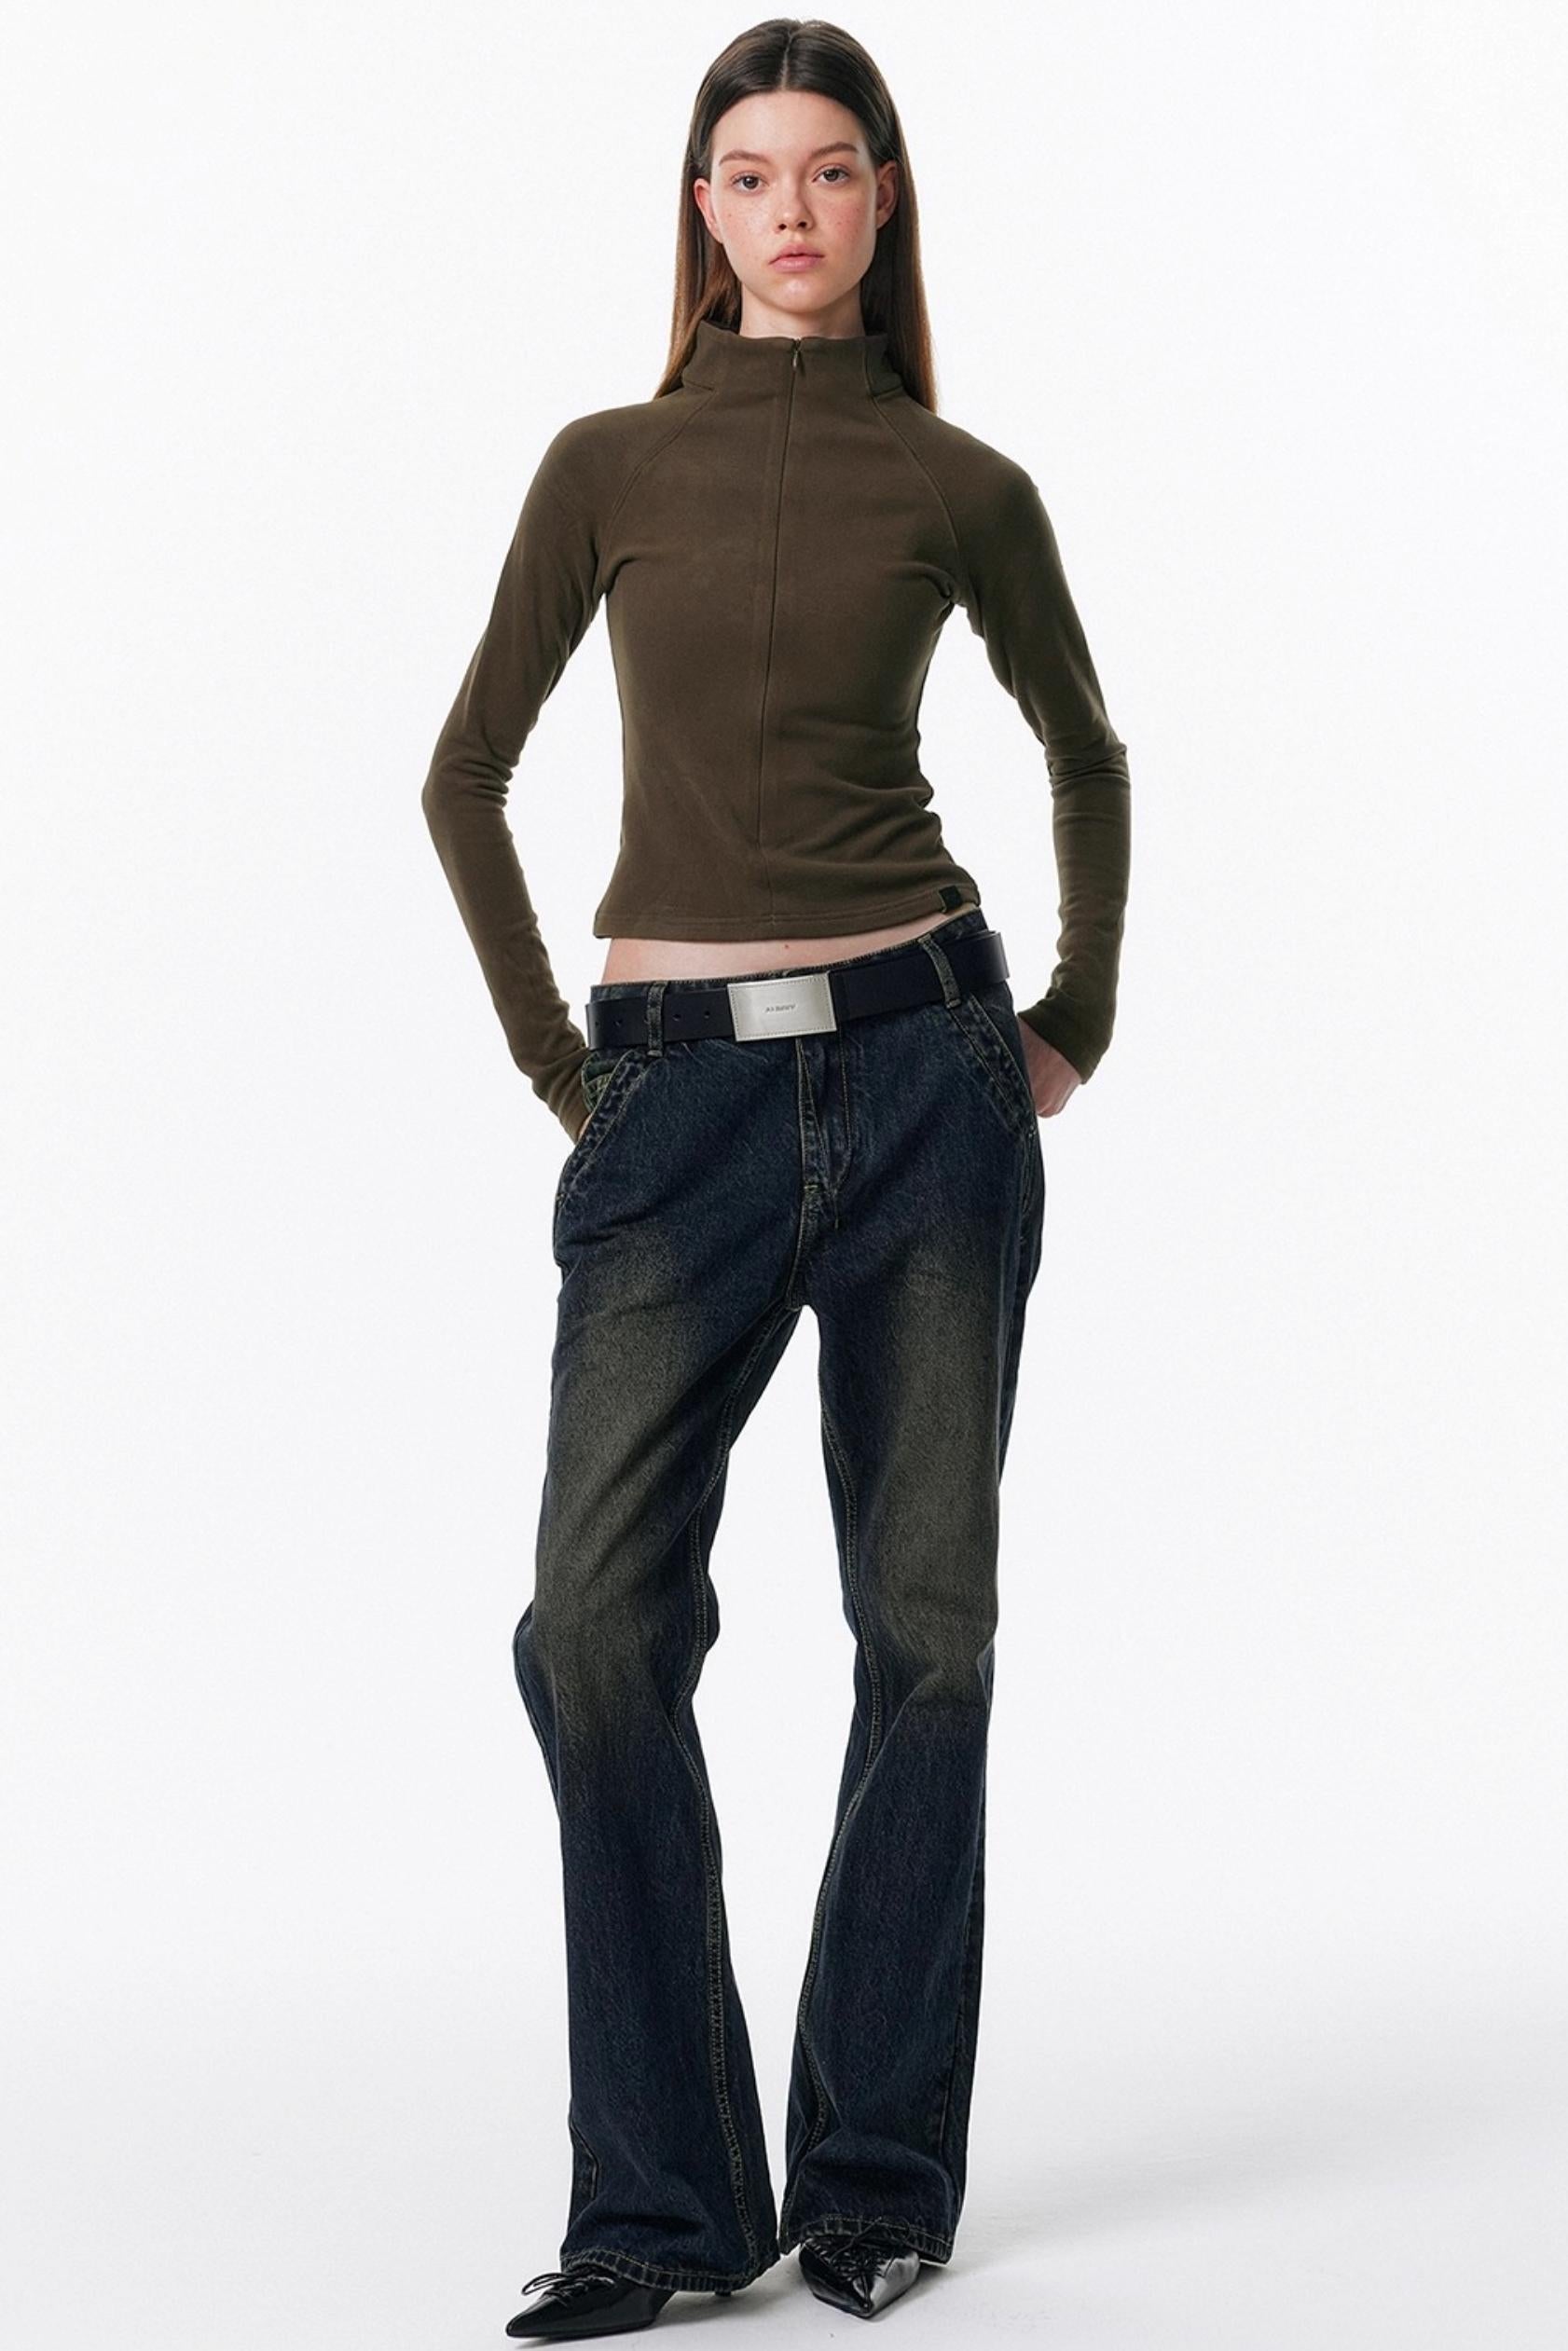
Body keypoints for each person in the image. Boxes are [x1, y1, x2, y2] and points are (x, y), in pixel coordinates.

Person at [420, 21, 1130, 2340]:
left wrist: (1069, 1018)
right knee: (593, 1630)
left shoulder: (961, 484)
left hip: (929, 1082)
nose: (793, 209)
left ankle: (873, 2183)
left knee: (926, 1635)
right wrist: (572, 1079)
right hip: (677, 1110)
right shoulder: (604, 464)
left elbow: (1084, 747)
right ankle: (659, 2201)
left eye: (831, 170)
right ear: (701, 207)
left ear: (883, 198)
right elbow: (462, 774)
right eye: (750, 173)